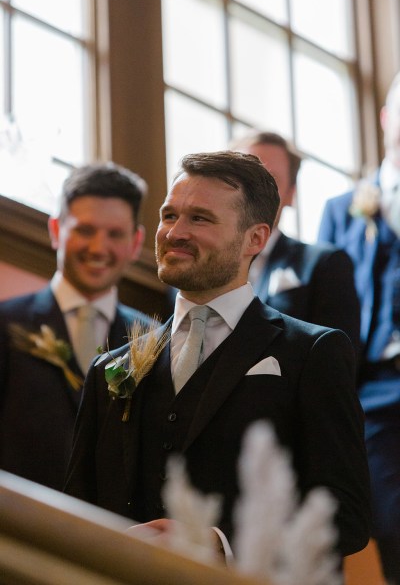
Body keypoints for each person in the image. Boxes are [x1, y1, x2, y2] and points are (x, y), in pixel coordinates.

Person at [64, 150, 370, 560]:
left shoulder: (312, 352)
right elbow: (77, 513)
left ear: (255, 239)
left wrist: (220, 544)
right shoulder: (109, 369)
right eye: (169, 215)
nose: (174, 233)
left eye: (200, 219)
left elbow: (346, 518)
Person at [0, 162, 152, 491]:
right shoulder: (5, 323)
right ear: (56, 231)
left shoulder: (155, 343)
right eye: (85, 230)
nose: (98, 248)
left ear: (136, 242)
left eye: (115, 234)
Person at [318, 72, 400, 583]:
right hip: (374, 388)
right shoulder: (341, 210)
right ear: (386, 118)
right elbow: (327, 312)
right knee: (388, 520)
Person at [232, 131, 360, 350]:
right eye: (241, 178)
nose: (252, 190)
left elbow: (338, 360)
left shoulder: (325, 265)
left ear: (291, 194)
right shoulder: (196, 264)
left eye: (269, 181)